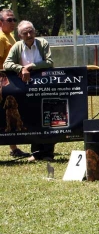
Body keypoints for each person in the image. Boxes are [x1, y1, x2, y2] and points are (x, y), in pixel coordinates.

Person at [4, 20, 55, 161]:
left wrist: (30, 67)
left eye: (31, 31)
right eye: (25, 32)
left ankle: (48, 154)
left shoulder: (43, 43)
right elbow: (6, 63)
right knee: (32, 119)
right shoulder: (17, 46)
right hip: (26, 89)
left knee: (47, 119)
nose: (29, 34)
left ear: (35, 32)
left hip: (45, 88)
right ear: (20, 36)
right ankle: (36, 153)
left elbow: (49, 62)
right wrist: (20, 68)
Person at [0, 9, 29, 158]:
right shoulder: (0, 38)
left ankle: (14, 148)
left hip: (9, 83)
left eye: (14, 19)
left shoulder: (9, 36)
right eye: (9, 20)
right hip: (2, 83)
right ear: (1, 22)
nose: (13, 22)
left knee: (7, 116)